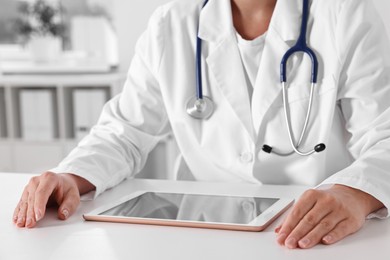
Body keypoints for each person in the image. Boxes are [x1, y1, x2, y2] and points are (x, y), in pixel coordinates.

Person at [13, 0, 390, 250]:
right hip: (207, 236)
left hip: (314, 236)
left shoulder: (346, 14)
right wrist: (72, 176)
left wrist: (355, 193)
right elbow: (125, 130)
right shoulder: (173, 23)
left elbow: (384, 135)